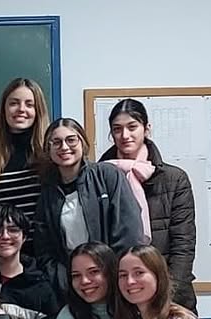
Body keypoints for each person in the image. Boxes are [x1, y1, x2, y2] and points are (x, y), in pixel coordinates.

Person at [100, 98, 197, 312]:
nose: (125, 135)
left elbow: (183, 246)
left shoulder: (174, 179)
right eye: (117, 129)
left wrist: (166, 298)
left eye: (132, 127)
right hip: (120, 298)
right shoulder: (99, 177)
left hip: (171, 297)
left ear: (147, 129)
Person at [34, 118, 144, 301]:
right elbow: (44, 249)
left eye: (71, 140)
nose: (64, 147)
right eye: (56, 142)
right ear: (48, 149)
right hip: (74, 290)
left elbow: (129, 231)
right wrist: (66, 281)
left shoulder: (108, 175)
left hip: (114, 287)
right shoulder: (47, 193)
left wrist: (111, 277)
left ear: (83, 142)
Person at [0, 78, 50, 252]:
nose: (21, 109)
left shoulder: (50, 158)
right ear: (4, 110)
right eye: (14, 103)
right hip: (3, 264)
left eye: (29, 104)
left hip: (44, 262)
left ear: (38, 111)